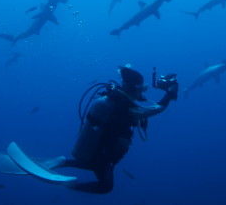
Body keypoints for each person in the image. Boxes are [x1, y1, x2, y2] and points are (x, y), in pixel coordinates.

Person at [59, 64, 178, 193]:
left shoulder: (113, 98)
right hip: (104, 153)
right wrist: (170, 94)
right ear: (133, 88)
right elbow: (157, 109)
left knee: (93, 165)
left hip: (98, 150)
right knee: (105, 187)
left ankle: (63, 162)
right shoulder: (126, 108)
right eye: (140, 89)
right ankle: (69, 183)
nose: (141, 93)